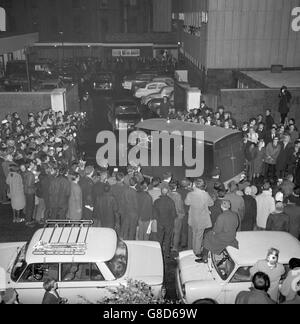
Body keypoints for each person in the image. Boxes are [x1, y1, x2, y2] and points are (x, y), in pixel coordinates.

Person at [185, 178, 214, 257]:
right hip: (202, 218)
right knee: (199, 235)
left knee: (194, 234)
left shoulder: (190, 194)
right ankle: (197, 252)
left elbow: (186, 203)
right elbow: (211, 203)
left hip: (193, 217)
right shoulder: (205, 194)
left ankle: (195, 249)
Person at [153, 184, 177, 259]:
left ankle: (158, 252)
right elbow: (174, 214)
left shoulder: (157, 201)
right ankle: (167, 253)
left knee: (159, 238)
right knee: (168, 238)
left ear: (161, 192)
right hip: (169, 223)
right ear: (167, 192)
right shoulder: (171, 201)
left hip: (160, 223)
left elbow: (154, 213)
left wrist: (158, 219)